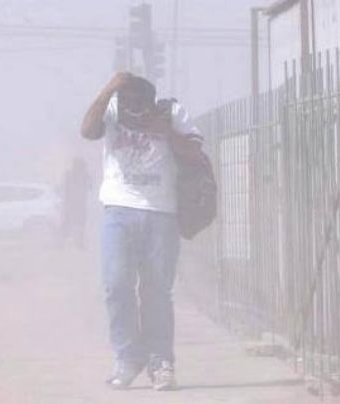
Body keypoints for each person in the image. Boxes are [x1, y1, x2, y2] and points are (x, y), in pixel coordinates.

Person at [80, 72, 201, 391]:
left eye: (140, 108)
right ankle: (128, 357)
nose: (135, 115)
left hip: (162, 212)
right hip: (118, 209)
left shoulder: (170, 112)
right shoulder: (113, 108)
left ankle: (161, 362)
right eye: (130, 108)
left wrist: (166, 132)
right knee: (116, 284)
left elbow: (195, 153)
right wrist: (109, 88)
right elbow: (87, 130)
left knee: (157, 291)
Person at [60, 157, 91, 248]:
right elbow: (90, 187)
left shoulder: (71, 175)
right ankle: (77, 243)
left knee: (70, 223)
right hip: (77, 203)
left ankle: (63, 243)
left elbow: (65, 189)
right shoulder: (80, 175)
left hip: (73, 203)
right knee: (77, 224)